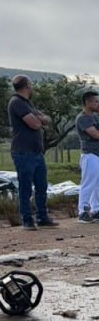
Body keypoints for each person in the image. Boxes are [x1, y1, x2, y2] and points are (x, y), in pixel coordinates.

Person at [6, 75, 59, 230]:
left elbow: (47, 119)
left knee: (41, 186)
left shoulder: (28, 104)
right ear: (28, 86)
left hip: (36, 152)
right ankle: (27, 219)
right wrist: (39, 119)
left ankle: (42, 217)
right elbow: (35, 124)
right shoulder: (16, 102)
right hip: (23, 152)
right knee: (25, 187)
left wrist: (39, 119)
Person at [75, 90, 99, 223]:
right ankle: (83, 210)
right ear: (87, 102)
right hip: (90, 154)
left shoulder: (97, 116)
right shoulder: (82, 118)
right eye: (95, 101)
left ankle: (96, 209)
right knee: (88, 183)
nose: (98, 103)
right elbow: (97, 135)